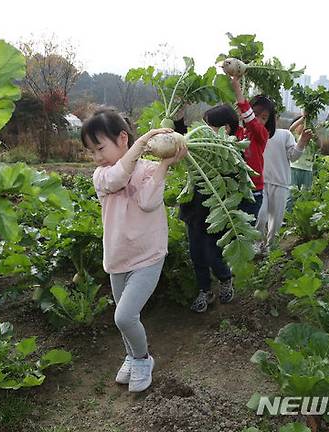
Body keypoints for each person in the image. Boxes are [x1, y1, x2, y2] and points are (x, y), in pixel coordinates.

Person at [81, 108, 187, 392]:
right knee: (126, 317)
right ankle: (131, 355)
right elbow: (118, 178)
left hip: (147, 256)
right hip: (117, 258)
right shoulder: (102, 176)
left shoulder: (149, 170)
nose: (97, 157)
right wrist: (142, 145)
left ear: (123, 138)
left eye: (100, 148)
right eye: (92, 152)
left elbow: (149, 202)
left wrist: (164, 165)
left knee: (124, 316)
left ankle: (142, 359)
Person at [181, 104, 238, 313]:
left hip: (216, 214)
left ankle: (225, 278)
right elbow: (179, 140)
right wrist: (178, 119)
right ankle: (205, 290)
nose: (204, 129)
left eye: (209, 126)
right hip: (193, 210)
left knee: (213, 254)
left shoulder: (229, 154)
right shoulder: (196, 147)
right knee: (196, 254)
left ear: (226, 129)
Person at [257, 116, 313, 251]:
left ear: (275, 118)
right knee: (261, 215)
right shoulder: (255, 135)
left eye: (266, 116)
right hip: (260, 182)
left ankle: (270, 248)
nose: (263, 120)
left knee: (276, 220)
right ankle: (257, 244)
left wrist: (301, 143)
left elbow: (293, 156)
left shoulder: (285, 134)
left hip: (281, 183)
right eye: (259, 116)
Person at [229, 76, 272, 222]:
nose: (259, 120)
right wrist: (237, 116)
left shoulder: (262, 134)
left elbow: (252, 122)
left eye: (264, 118)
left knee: (246, 229)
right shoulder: (239, 132)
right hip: (236, 188)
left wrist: (237, 90)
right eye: (256, 115)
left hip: (254, 191)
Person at [289, 115, 315, 189]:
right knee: (292, 192)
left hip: (307, 169)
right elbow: (291, 129)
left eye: (304, 124)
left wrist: (313, 131)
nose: (303, 126)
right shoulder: (294, 137)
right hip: (294, 168)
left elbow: (320, 145)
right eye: (300, 124)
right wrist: (303, 118)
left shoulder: (312, 141)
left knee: (306, 193)